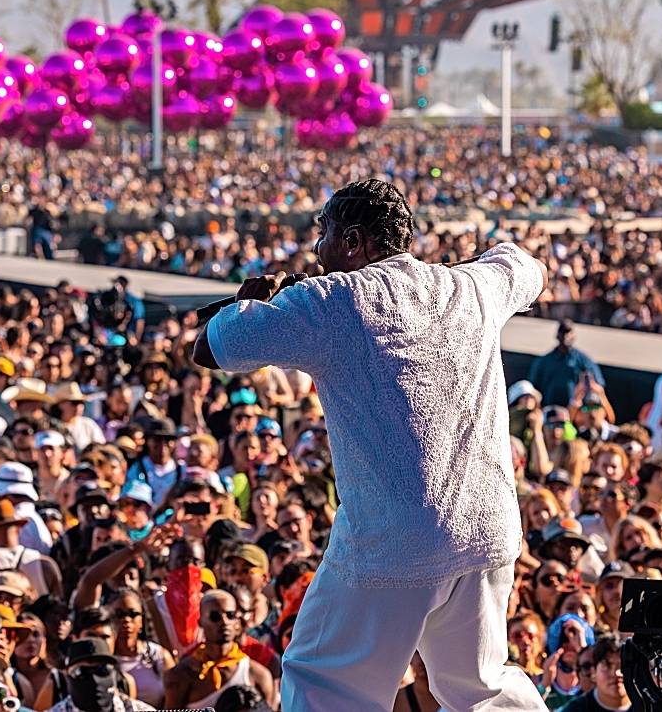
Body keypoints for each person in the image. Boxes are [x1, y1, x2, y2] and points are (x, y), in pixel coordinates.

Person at [195, 179, 547, 712]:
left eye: (324, 236)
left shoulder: (334, 302)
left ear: (354, 241)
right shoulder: (472, 288)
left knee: (323, 681)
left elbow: (212, 349)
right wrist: (474, 263)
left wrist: (251, 303)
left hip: (392, 542)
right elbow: (525, 267)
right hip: (486, 531)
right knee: (477, 686)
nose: (317, 252)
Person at [526, 321, 602, 410]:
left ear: (574, 336)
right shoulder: (544, 361)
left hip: (574, 412)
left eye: (569, 332)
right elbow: (532, 387)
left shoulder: (584, 361)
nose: (566, 336)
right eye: (563, 332)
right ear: (557, 335)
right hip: (549, 409)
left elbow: (598, 385)